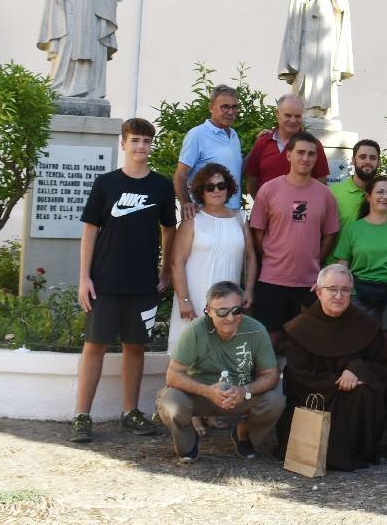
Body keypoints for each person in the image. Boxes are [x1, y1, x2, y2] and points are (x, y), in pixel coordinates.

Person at [71, 117, 176, 443]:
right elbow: (90, 229)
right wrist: (84, 277)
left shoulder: (160, 186)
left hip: (143, 283)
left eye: (146, 141)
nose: (141, 147)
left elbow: (169, 229)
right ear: (123, 144)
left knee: (135, 347)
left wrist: (166, 269)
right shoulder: (106, 183)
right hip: (104, 281)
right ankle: (81, 416)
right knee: (94, 347)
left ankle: (130, 412)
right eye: (135, 141)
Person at [168, 163, 258, 439]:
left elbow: (251, 258)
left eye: (221, 185)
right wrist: (184, 298)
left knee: (219, 354)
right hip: (195, 296)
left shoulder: (239, 218)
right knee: (191, 356)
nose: (216, 191)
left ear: (228, 188)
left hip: (229, 300)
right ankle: (192, 415)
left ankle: (213, 410)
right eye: (210, 186)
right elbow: (177, 261)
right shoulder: (193, 220)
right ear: (201, 191)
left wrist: (249, 290)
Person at [156, 281, 284, 463]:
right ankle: (188, 440)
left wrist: (244, 391)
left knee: (275, 401)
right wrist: (207, 391)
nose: (230, 318)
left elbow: (271, 375)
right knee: (171, 403)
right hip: (200, 395)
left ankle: (244, 433)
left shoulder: (256, 329)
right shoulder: (195, 330)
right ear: (208, 310)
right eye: (222, 311)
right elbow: (173, 375)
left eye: (236, 311)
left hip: (240, 395)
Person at [280, 264, 387, 471]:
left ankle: (358, 453)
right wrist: (338, 383)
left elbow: (381, 364)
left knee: (365, 393)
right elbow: (299, 373)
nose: (339, 296)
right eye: (332, 289)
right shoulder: (301, 327)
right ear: (319, 292)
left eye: (345, 290)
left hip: (355, 395)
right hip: (316, 393)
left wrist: (356, 369)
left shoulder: (366, 325)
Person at [249, 132, 340, 352]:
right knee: (268, 342)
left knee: (304, 345)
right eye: (300, 152)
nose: (306, 158)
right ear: (288, 155)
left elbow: (331, 233)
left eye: (311, 154)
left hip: (308, 282)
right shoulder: (269, 190)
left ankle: (301, 388)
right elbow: (258, 232)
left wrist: (315, 257)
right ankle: (266, 386)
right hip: (271, 280)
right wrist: (272, 255)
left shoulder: (325, 195)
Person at [332, 175, 387, 342]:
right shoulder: (353, 229)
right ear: (368, 196)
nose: (385, 196)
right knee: (360, 341)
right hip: (359, 293)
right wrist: (332, 285)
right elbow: (342, 265)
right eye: (380, 192)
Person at [278, 0, 353, 119]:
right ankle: (304, 111)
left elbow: (341, 7)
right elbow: (298, 7)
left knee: (324, 75)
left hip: (327, 40)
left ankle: (323, 112)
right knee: (306, 73)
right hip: (307, 38)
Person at [174, 84, 243, 215]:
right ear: (211, 107)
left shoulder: (233, 135)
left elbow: (236, 168)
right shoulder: (197, 135)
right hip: (205, 216)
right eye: (225, 107)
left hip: (232, 214)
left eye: (234, 107)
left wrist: (259, 145)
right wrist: (186, 203)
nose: (230, 112)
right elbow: (180, 175)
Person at [243, 93, 331, 195]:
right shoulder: (263, 142)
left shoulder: (313, 145)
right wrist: (262, 205)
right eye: (288, 115)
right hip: (267, 208)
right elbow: (251, 182)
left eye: (297, 116)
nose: (293, 121)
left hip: (300, 209)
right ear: (277, 113)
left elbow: (321, 184)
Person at [329, 138, 387, 231]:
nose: (368, 161)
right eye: (362, 157)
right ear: (353, 160)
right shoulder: (333, 193)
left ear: (379, 162)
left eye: (372, 158)